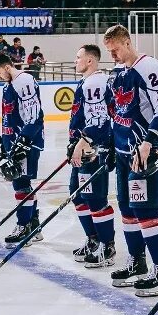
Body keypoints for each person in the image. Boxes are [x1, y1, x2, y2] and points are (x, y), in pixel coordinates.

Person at [103, 24, 158, 296]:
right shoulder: (117, 74)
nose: (112, 55)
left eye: (115, 49)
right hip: (124, 154)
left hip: (146, 153)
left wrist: (150, 140)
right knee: (127, 210)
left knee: (145, 210)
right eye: (108, 51)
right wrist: (111, 146)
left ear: (127, 42)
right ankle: (137, 262)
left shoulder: (150, 67)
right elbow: (115, 113)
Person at [67, 44, 116, 268]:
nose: (75, 61)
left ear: (90, 61)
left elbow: (100, 122)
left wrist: (85, 142)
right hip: (82, 146)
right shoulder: (86, 83)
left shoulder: (96, 82)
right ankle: (94, 240)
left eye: (78, 57)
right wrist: (73, 143)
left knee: (94, 198)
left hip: (93, 149)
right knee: (77, 195)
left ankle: (107, 245)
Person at [0, 53, 46, 245]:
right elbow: (11, 116)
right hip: (15, 141)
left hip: (25, 142)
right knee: (22, 183)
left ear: (7, 67)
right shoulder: (9, 85)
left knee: (20, 184)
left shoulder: (24, 81)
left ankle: (24, 226)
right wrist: (4, 138)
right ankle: (34, 226)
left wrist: (24, 140)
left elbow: (34, 116)